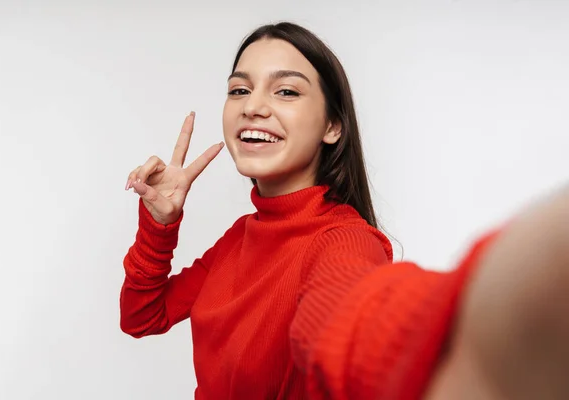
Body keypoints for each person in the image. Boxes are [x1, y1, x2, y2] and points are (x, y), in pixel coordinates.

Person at [120, 22, 569, 400]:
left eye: (287, 91)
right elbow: (141, 315)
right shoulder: (240, 237)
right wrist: (159, 224)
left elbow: (351, 320)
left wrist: (480, 319)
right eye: (240, 89)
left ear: (332, 126)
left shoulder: (344, 241)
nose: (253, 106)